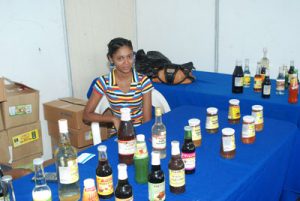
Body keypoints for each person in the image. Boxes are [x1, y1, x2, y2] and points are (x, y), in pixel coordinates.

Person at [83, 37, 153, 130]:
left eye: (130, 56)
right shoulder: (104, 82)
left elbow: (147, 120)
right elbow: (86, 115)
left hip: (140, 129)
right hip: (118, 131)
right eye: (120, 58)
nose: (127, 63)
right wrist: (113, 119)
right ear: (111, 59)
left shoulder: (143, 81)